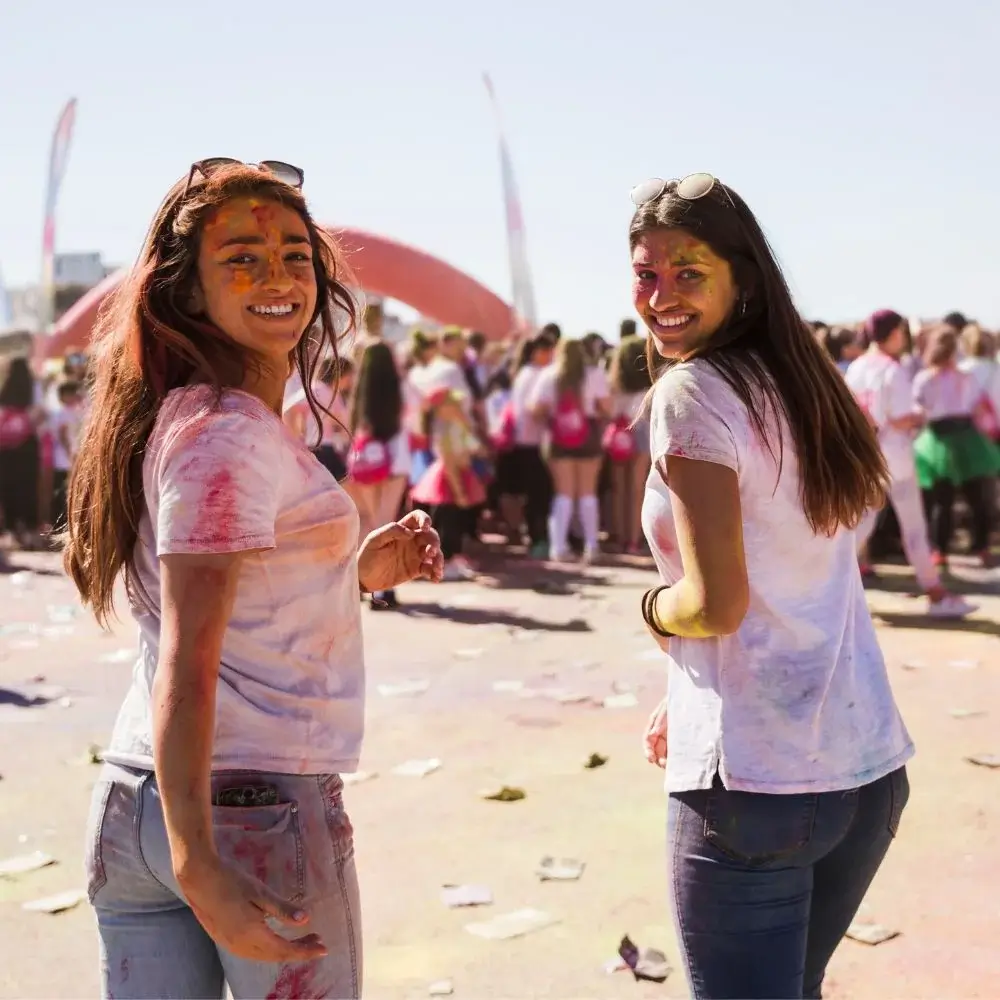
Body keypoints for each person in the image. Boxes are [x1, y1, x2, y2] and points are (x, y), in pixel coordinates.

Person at [62, 159, 442, 1000]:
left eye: (295, 256)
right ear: (188, 293)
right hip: (242, 812)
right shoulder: (225, 434)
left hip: (140, 803)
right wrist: (199, 862)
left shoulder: (202, 421)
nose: (277, 276)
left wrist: (354, 565)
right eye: (242, 256)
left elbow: (240, 607)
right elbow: (191, 660)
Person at [630, 172, 912, 999]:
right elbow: (800, 568)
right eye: (647, 274)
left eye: (689, 272)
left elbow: (715, 603)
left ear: (742, 278)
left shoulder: (692, 393)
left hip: (756, 788)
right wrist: (679, 690)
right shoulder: (805, 383)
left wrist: (652, 611)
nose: (662, 295)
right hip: (864, 768)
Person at [848, 310, 975, 617]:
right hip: (895, 458)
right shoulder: (893, 369)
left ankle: (827, 587)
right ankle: (935, 594)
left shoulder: (858, 367)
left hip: (865, 455)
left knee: (859, 525)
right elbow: (901, 417)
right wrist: (921, 415)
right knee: (911, 527)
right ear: (893, 334)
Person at [912, 326, 1000, 568]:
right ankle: (981, 546)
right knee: (978, 497)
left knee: (942, 500)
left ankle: (939, 550)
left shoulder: (924, 378)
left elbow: (919, 411)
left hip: (938, 439)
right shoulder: (965, 377)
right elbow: (976, 407)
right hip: (965, 437)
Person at [343, 340, 412, 608]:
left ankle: (358, 584)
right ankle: (383, 590)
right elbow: (419, 409)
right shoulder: (398, 389)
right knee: (385, 523)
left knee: (367, 523)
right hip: (393, 461)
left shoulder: (359, 393)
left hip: (362, 460)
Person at [530, 337, 610, 562]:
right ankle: (591, 546)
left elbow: (536, 409)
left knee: (563, 493)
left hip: (558, 438)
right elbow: (606, 407)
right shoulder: (594, 374)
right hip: (589, 436)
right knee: (588, 492)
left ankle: (558, 547)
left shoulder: (549, 375)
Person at [411, 388, 485, 580]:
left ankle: (454, 559)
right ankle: (446, 560)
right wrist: (459, 490)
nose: (460, 407)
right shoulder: (443, 429)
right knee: (447, 521)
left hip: (459, 473)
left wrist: (464, 421)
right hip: (448, 476)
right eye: (454, 404)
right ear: (443, 408)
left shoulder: (456, 425)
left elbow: (476, 446)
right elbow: (449, 458)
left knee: (457, 519)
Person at [605, 335, 652, 554]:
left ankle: (619, 535)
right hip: (642, 433)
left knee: (619, 488)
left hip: (619, 434)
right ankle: (633, 539)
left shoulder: (616, 386)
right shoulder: (650, 387)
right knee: (637, 490)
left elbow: (609, 412)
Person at [0, 356, 43, 549]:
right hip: (28, 445)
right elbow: (41, 414)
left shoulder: (4, 387)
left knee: (7, 487)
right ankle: (29, 531)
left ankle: (9, 531)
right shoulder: (33, 388)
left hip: (5, 448)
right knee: (28, 488)